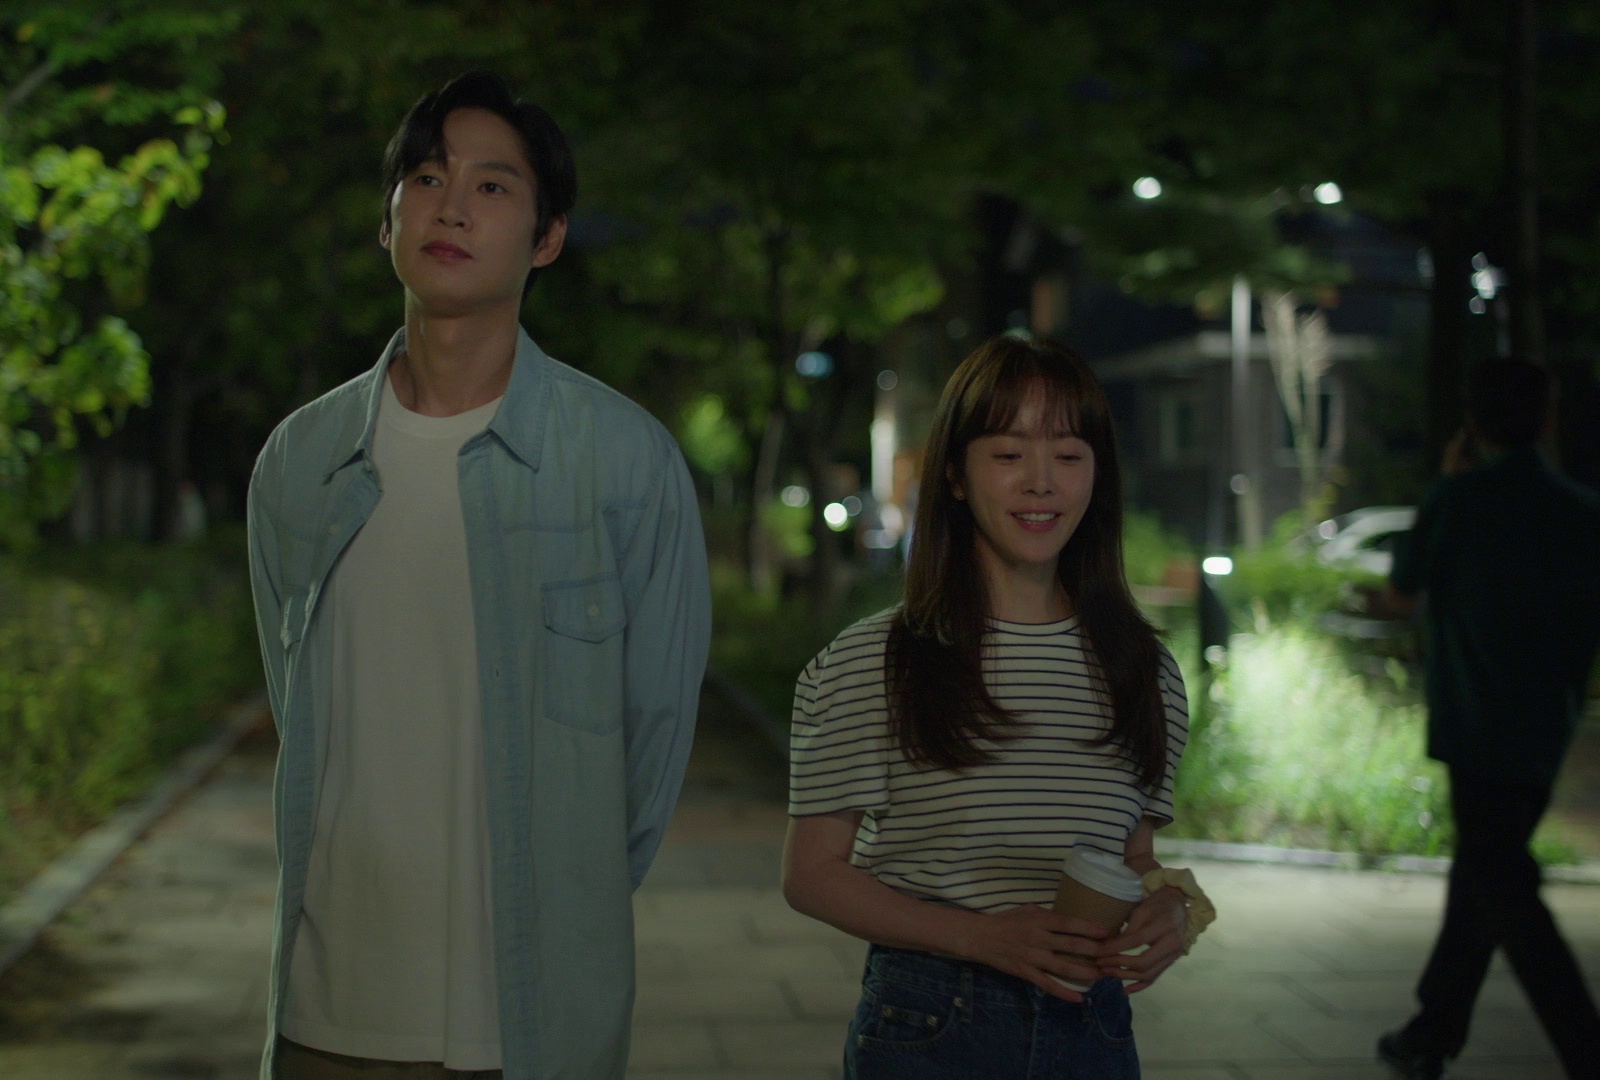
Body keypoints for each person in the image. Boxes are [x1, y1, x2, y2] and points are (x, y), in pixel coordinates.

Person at [245, 71, 711, 1080]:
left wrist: (569, 904)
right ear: (388, 221)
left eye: (493, 186)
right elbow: (298, 706)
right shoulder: (301, 461)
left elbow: (652, 746)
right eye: (426, 177)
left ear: (548, 238)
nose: (451, 206)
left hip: (533, 1023)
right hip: (331, 1011)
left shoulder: (624, 463)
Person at [782, 335, 1206, 1079]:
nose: (1041, 483)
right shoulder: (878, 659)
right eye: (1009, 454)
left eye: (1069, 456)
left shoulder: (1144, 669)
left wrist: (1168, 907)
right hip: (933, 1022)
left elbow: (1130, 856)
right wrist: (979, 938)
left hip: (1093, 1028)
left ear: (1097, 475)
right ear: (954, 473)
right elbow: (812, 875)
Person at [1371, 357, 1600, 1080]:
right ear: (1548, 419)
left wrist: (1449, 481)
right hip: (1544, 728)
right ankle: (1430, 1034)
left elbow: (1400, 595)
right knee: (1487, 875)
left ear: (1472, 422)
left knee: (1503, 888)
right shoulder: (1581, 512)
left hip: (1473, 725)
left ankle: (1583, 1049)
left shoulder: (1456, 500)